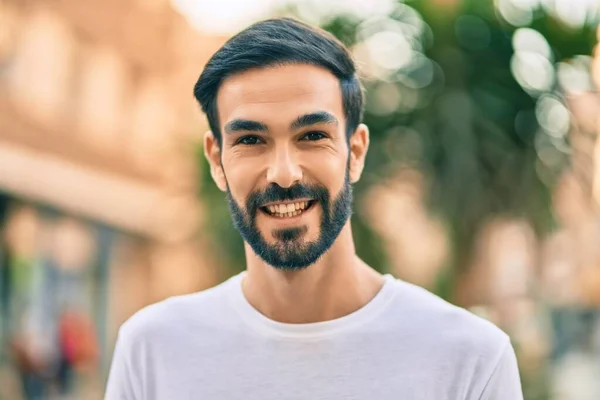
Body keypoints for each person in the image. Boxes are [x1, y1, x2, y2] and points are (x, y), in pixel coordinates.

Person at [105, 18, 523, 400]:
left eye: (312, 135)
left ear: (355, 152)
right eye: (250, 140)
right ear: (217, 161)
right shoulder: (152, 350)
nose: (284, 174)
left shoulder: (471, 359)